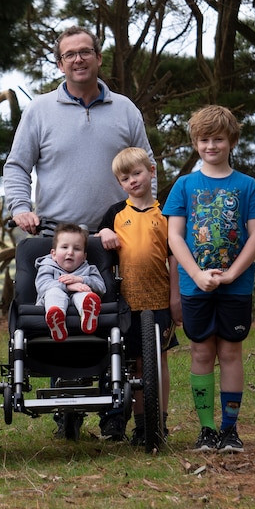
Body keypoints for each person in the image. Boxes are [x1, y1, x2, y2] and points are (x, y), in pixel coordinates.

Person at [3, 25, 155, 440]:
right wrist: (20, 207)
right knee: (61, 313)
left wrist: (145, 219)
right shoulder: (39, 111)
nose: (78, 59)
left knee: (115, 320)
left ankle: (117, 414)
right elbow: (17, 166)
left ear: (98, 58)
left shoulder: (125, 110)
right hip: (58, 235)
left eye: (85, 51)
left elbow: (145, 167)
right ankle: (64, 404)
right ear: (59, 63)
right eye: (69, 54)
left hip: (116, 234)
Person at [162, 105, 255, 453]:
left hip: (235, 286)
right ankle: (206, 430)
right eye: (204, 139)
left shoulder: (246, 185)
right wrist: (196, 274)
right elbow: (175, 237)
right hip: (196, 286)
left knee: (230, 352)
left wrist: (231, 275)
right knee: (200, 351)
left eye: (219, 139)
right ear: (195, 143)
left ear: (231, 142)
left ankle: (229, 429)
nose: (211, 146)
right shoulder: (184, 185)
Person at [98, 147, 182, 447]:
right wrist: (103, 234)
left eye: (137, 173)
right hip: (126, 303)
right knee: (130, 364)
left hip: (159, 300)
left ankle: (155, 422)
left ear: (152, 172)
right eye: (125, 178)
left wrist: (175, 299)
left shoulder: (168, 214)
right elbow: (97, 249)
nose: (133, 181)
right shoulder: (115, 214)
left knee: (156, 362)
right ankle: (128, 421)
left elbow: (174, 260)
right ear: (120, 184)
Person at [35, 223, 106, 342]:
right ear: (53, 254)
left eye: (77, 249)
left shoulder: (89, 269)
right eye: (64, 247)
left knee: (84, 294)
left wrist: (82, 280)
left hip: (78, 302)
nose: (70, 252)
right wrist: (68, 286)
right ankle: (56, 319)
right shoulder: (47, 266)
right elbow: (42, 286)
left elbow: (101, 288)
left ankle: (87, 316)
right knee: (54, 292)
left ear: (84, 257)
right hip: (51, 301)